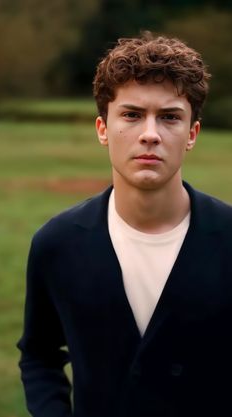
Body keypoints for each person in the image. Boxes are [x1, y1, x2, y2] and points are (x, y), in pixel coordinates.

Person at [17, 31, 232, 417]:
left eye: (169, 117)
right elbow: (39, 354)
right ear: (102, 128)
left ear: (192, 135)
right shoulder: (58, 243)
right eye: (132, 115)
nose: (150, 134)